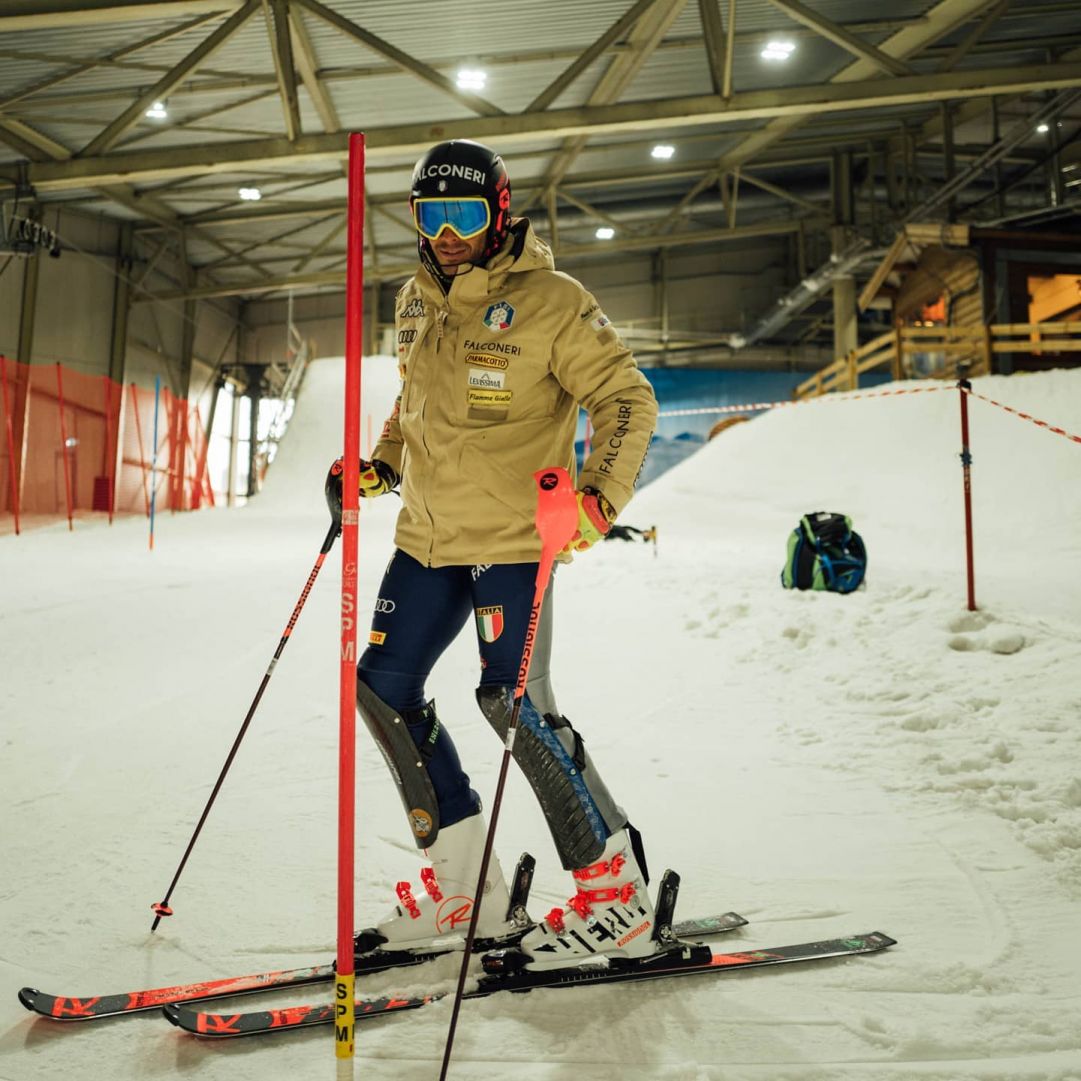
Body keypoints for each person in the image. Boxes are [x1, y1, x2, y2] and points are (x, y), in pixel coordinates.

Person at [329, 138, 658, 971]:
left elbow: (625, 397)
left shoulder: (552, 300)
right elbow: (416, 407)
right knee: (382, 687)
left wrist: (596, 501)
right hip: (428, 538)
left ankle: (615, 897)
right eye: (429, 214)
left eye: (463, 214)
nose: (445, 232)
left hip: (515, 539)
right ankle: (462, 886)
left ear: (498, 213)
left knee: (514, 704)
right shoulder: (414, 300)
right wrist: (381, 465)